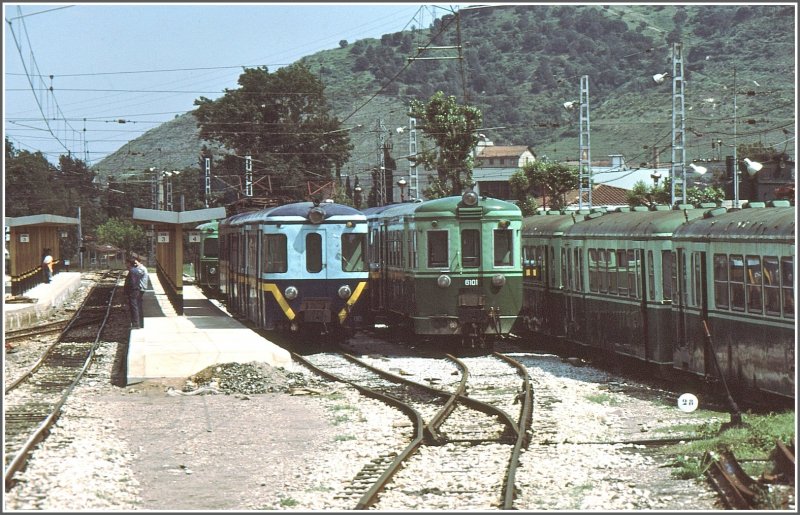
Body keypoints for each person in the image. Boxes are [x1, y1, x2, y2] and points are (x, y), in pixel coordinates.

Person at [124, 254, 149, 329]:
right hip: (138, 290)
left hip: (136, 290)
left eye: (126, 263)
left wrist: (129, 291)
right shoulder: (136, 269)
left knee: (135, 307)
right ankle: (140, 323)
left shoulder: (137, 270)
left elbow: (133, 282)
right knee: (138, 306)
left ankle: (136, 324)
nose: (125, 264)